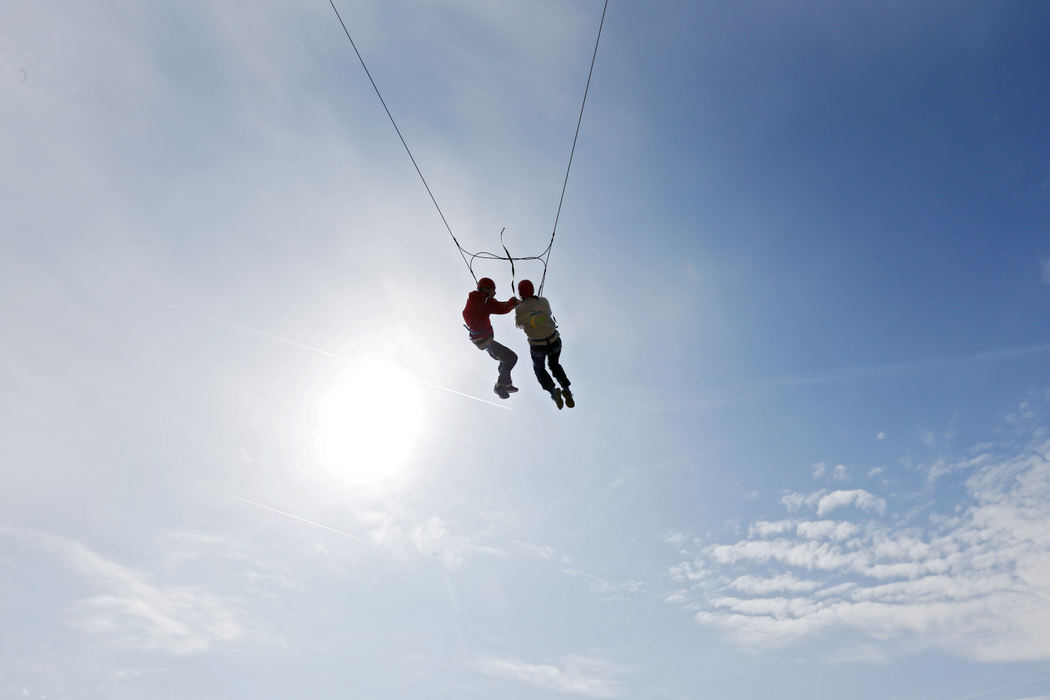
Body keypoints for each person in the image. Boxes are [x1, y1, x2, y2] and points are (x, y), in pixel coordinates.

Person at [513, 279, 574, 409]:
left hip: (538, 346)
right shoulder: (544, 301)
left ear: (520, 294)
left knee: (539, 369)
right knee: (554, 365)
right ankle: (567, 389)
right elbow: (548, 313)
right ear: (533, 290)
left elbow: (519, 325)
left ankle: (553, 392)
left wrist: (520, 307)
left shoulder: (519, 309)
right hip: (554, 341)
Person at [462, 277, 520, 399]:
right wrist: (513, 303)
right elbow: (502, 308)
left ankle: (507, 384)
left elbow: (493, 305)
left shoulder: (472, 300)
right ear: (487, 288)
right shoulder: (485, 301)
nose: (494, 294)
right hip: (485, 339)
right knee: (512, 358)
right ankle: (499, 386)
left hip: (480, 340)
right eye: (493, 291)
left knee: (504, 360)